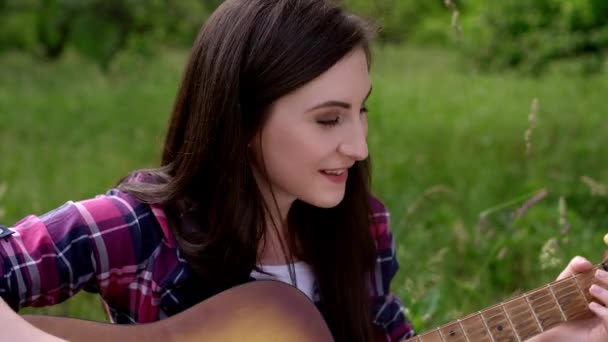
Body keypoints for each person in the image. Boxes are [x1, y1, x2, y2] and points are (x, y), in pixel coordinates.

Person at [0, 1, 607, 341]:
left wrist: (555, 334)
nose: (360, 146)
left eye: (361, 112)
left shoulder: (361, 228)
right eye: (328, 119)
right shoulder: (136, 227)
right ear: (239, 121)